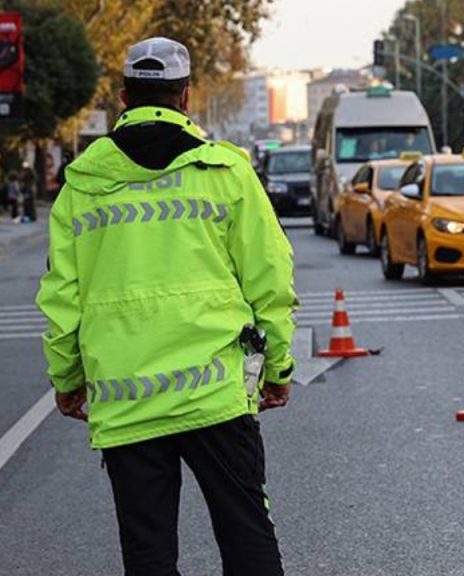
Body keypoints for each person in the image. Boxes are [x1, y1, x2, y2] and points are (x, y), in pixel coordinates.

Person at [36, 37, 296, 576]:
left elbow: (62, 297)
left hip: (129, 400)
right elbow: (270, 279)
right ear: (185, 96)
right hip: (216, 394)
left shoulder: (82, 184)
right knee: (248, 537)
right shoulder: (225, 172)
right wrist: (279, 367)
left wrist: (67, 379)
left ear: (125, 95)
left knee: (149, 555)